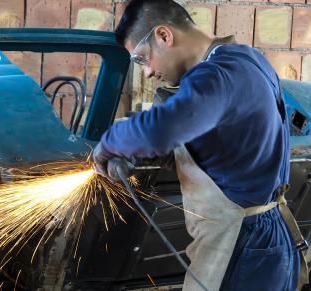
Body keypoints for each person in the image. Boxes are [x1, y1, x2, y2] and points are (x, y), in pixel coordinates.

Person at [92, 0, 309, 290]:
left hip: (243, 246)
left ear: (164, 36)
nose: (147, 72)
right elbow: (218, 147)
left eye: (142, 59)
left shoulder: (217, 75)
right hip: (264, 242)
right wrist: (149, 153)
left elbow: (162, 130)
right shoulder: (245, 59)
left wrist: (111, 142)